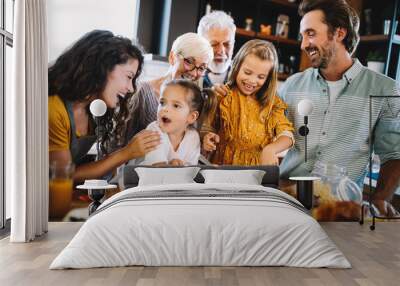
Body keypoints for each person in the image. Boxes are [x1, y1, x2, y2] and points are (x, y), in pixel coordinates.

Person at [278, 0, 400, 216]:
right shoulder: (292, 85)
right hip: (286, 199)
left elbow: (394, 155)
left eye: (311, 33)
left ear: (339, 33)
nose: (303, 44)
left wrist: (380, 199)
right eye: (303, 35)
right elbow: (264, 129)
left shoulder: (385, 90)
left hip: (338, 210)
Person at [48, 30, 161, 183]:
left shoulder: (93, 110)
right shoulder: (54, 109)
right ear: (103, 67)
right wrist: (127, 153)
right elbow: (63, 176)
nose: (131, 88)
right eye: (128, 77)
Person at [202, 39, 295, 166]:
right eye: (247, 72)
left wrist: (271, 149)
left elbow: (287, 135)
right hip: (221, 169)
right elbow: (206, 127)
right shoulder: (223, 95)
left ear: (268, 79)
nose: (252, 80)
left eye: (261, 77)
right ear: (237, 67)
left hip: (255, 174)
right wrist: (206, 137)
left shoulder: (273, 105)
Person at [116, 33, 213, 149]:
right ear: (172, 57)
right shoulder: (142, 93)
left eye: (201, 68)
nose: (194, 73)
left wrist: (204, 139)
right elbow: (118, 145)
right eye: (189, 62)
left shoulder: (197, 102)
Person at [129, 79, 210, 166]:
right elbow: (158, 167)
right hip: (140, 178)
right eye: (162, 103)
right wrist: (174, 166)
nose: (165, 109)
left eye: (176, 105)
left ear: (191, 117)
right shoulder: (153, 131)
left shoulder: (193, 137)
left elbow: (191, 169)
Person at [197, 10, 236, 88]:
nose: (221, 51)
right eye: (214, 44)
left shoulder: (242, 78)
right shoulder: (189, 77)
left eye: (227, 44)